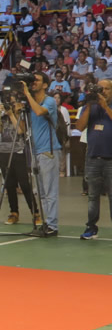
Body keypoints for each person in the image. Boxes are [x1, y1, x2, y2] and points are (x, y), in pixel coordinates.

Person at [22, 72, 61, 236]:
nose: (33, 83)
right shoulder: (31, 103)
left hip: (48, 151)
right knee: (42, 192)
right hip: (36, 151)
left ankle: (52, 225)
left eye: (36, 80)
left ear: (45, 85)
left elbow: (39, 112)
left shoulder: (49, 101)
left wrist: (27, 95)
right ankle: (47, 222)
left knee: (50, 191)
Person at [74, 79, 112, 240]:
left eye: (106, 89)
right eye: (100, 89)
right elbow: (79, 127)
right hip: (93, 157)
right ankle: (91, 227)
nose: (102, 91)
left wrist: (104, 106)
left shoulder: (106, 106)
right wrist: (89, 105)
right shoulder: (90, 107)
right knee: (92, 196)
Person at [0, 95, 39, 225]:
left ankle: (35, 212)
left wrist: (12, 114)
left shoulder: (22, 116)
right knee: (9, 184)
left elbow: (20, 131)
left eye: (13, 103)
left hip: (18, 153)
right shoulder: (3, 118)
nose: (11, 106)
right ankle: (14, 212)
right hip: (3, 152)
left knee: (24, 184)